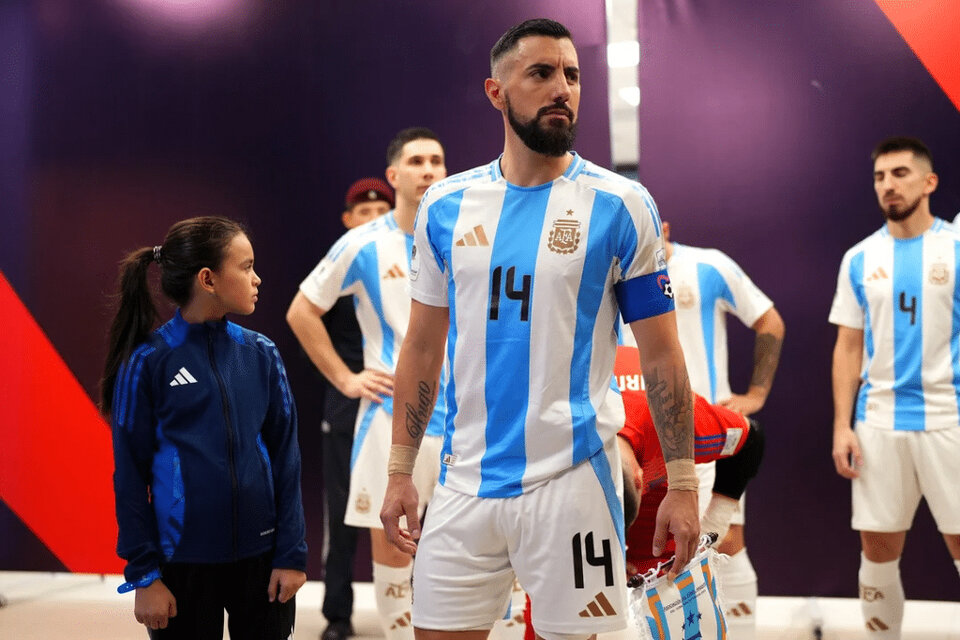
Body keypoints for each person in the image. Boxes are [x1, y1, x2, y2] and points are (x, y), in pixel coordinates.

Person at [380, 19, 699, 640]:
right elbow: (420, 348)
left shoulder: (622, 205)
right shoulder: (444, 207)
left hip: (573, 481)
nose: (563, 88)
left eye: (572, 75)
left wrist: (683, 484)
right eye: (542, 73)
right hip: (461, 483)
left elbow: (662, 356)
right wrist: (399, 471)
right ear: (497, 93)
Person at [102, 216, 307, 639]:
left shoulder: (261, 354)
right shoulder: (147, 362)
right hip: (182, 564)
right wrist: (144, 574)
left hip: (262, 560)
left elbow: (287, 460)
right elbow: (129, 474)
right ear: (208, 279)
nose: (257, 278)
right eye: (246, 266)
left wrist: (291, 553)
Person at [286, 128, 447, 640]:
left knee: (460, 544)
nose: (428, 170)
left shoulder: (467, 233)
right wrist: (346, 377)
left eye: (437, 161)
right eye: (416, 161)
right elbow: (301, 310)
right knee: (393, 541)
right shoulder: (362, 243)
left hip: (466, 419)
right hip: (389, 419)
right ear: (394, 175)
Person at [522, 345, 765, 640]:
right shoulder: (544, 441)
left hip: (657, 478)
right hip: (567, 494)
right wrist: (601, 558)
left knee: (675, 588)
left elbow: (751, 440)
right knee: (561, 615)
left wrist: (715, 524)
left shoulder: (677, 420)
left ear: (639, 478)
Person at [621, 220, 785, 636]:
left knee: (724, 541)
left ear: (665, 227)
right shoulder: (611, 273)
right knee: (642, 548)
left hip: (700, 430)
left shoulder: (708, 265)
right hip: (632, 431)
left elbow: (770, 322)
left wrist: (756, 394)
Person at [830, 136, 960, 639]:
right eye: (881, 176)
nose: (888, 185)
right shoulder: (859, 258)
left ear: (929, 182)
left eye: (900, 174)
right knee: (878, 551)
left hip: (950, 419)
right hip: (878, 423)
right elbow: (847, 346)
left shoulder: (954, 248)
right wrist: (842, 425)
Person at [304, 178, 394, 640]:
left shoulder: (407, 259)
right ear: (348, 219)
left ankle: (414, 610)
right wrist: (346, 379)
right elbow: (303, 316)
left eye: (383, 211)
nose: (374, 218)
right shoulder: (340, 263)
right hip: (349, 408)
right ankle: (338, 615)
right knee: (341, 514)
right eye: (364, 211)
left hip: (401, 407)